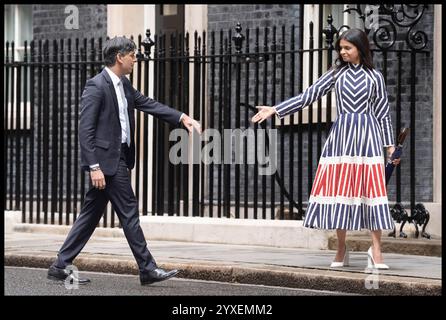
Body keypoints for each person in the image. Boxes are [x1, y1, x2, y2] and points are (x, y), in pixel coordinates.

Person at [47, 36, 201, 285]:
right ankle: (147, 268)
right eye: (133, 55)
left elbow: (147, 103)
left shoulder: (124, 84)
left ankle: (60, 265)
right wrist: (94, 166)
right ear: (120, 57)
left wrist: (181, 117)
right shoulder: (96, 85)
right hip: (108, 162)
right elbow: (85, 131)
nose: (135, 59)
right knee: (129, 211)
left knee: (90, 214)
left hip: (118, 158)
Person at [252, 28, 400, 269]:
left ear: (360, 49)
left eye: (347, 48)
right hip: (341, 138)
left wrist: (390, 147)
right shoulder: (335, 74)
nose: (342, 52)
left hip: (369, 137)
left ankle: (377, 250)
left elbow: (383, 113)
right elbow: (308, 96)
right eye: (340, 48)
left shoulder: (375, 77)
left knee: (373, 191)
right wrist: (276, 110)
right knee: (340, 189)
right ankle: (342, 247)